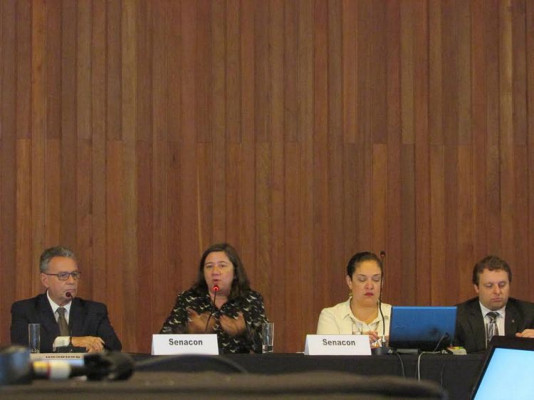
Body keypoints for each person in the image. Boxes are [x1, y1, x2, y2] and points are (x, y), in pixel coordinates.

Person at [160, 242, 267, 353]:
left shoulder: (251, 300)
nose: (215, 272)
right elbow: (162, 345)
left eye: (222, 265)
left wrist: (245, 332)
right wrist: (190, 332)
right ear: (203, 273)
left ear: (235, 273)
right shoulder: (188, 299)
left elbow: (267, 347)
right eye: (209, 266)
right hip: (197, 364)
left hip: (236, 364)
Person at [10, 246, 122, 353]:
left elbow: (114, 346)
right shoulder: (25, 309)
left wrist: (98, 349)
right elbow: (22, 344)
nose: (71, 281)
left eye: (74, 274)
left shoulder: (94, 311)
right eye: (63, 275)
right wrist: (70, 341)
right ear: (45, 280)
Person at [454, 255, 534, 353]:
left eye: (502, 285)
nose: (497, 291)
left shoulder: (529, 314)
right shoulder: (458, 316)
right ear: (477, 288)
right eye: (489, 286)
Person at [316, 251, 391, 347]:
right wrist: (358, 343)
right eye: (362, 279)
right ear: (349, 281)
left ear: (382, 282)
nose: (370, 286)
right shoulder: (331, 316)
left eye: (376, 279)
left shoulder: (394, 315)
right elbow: (325, 353)